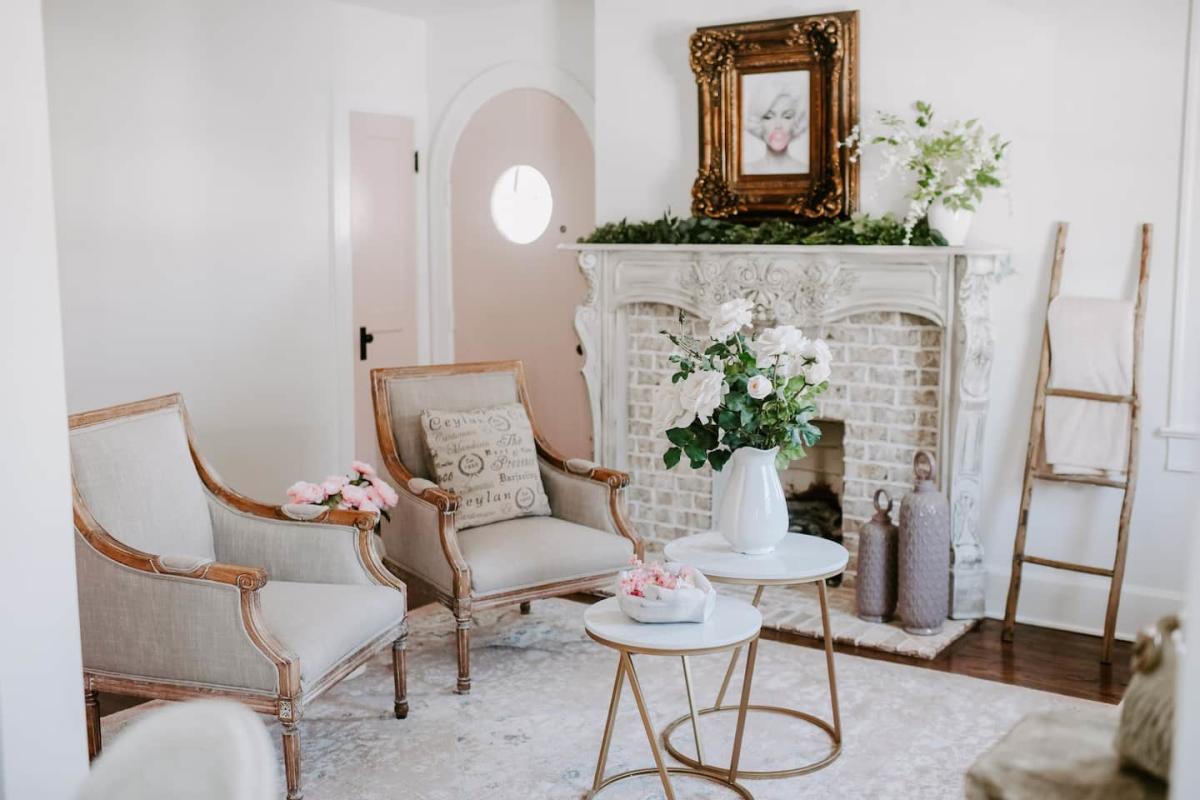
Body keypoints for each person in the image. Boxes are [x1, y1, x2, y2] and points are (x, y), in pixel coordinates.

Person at [743, 76, 810, 175]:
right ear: (758, 122)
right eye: (768, 117)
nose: (778, 125)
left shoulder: (806, 170)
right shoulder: (745, 171)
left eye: (787, 116)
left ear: (797, 122)